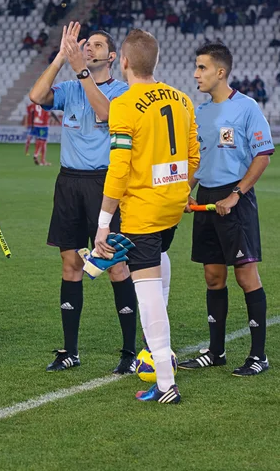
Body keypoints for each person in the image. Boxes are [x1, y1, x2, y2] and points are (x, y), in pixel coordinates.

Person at [94, 29, 200, 405]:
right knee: (157, 262)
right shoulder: (183, 98)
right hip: (173, 204)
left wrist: (104, 223)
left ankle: (166, 380)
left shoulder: (124, 103)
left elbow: (119, 168)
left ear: (123, 61)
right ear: (154, 61)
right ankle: (163, 359)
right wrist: (181, 190)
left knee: (147, 289)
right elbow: (193, 156)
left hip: (142, 210)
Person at [29, 22, 138, 374]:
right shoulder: (71, 85)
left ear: (112, 55)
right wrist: (62, 56)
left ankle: (128, 351)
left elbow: (105, 113)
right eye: (84, 44)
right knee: (70, 264)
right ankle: (70, 351)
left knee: (115, 264)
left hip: (105, 185)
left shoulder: (123, 91)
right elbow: (37, 96)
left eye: (97, 45)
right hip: (69, 183)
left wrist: (80, 71)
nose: (88, 48)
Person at [179, 42, 274, 376]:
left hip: (236, 199)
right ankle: (216, 352)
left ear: (220, 72)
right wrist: (184, 193)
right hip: (206, 197)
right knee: (213, 275)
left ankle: (258, 356)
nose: (195, 74)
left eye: (202, 67)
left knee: (245, 276)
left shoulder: (247, 108)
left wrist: (236, 194)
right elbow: (196, 160)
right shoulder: (199, 113)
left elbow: (263, 154)